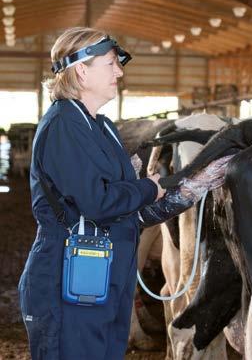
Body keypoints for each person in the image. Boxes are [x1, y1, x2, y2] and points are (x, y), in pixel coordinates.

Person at [18, 26, 230, 360]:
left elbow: (130, 208)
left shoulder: (101, 126)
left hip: (106, 277)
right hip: (69, 279)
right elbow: (98, 203)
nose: (119, 71)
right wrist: (147, 187)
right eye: (111, 63)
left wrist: (191, 188)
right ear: (81, 70)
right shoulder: (63, 126)